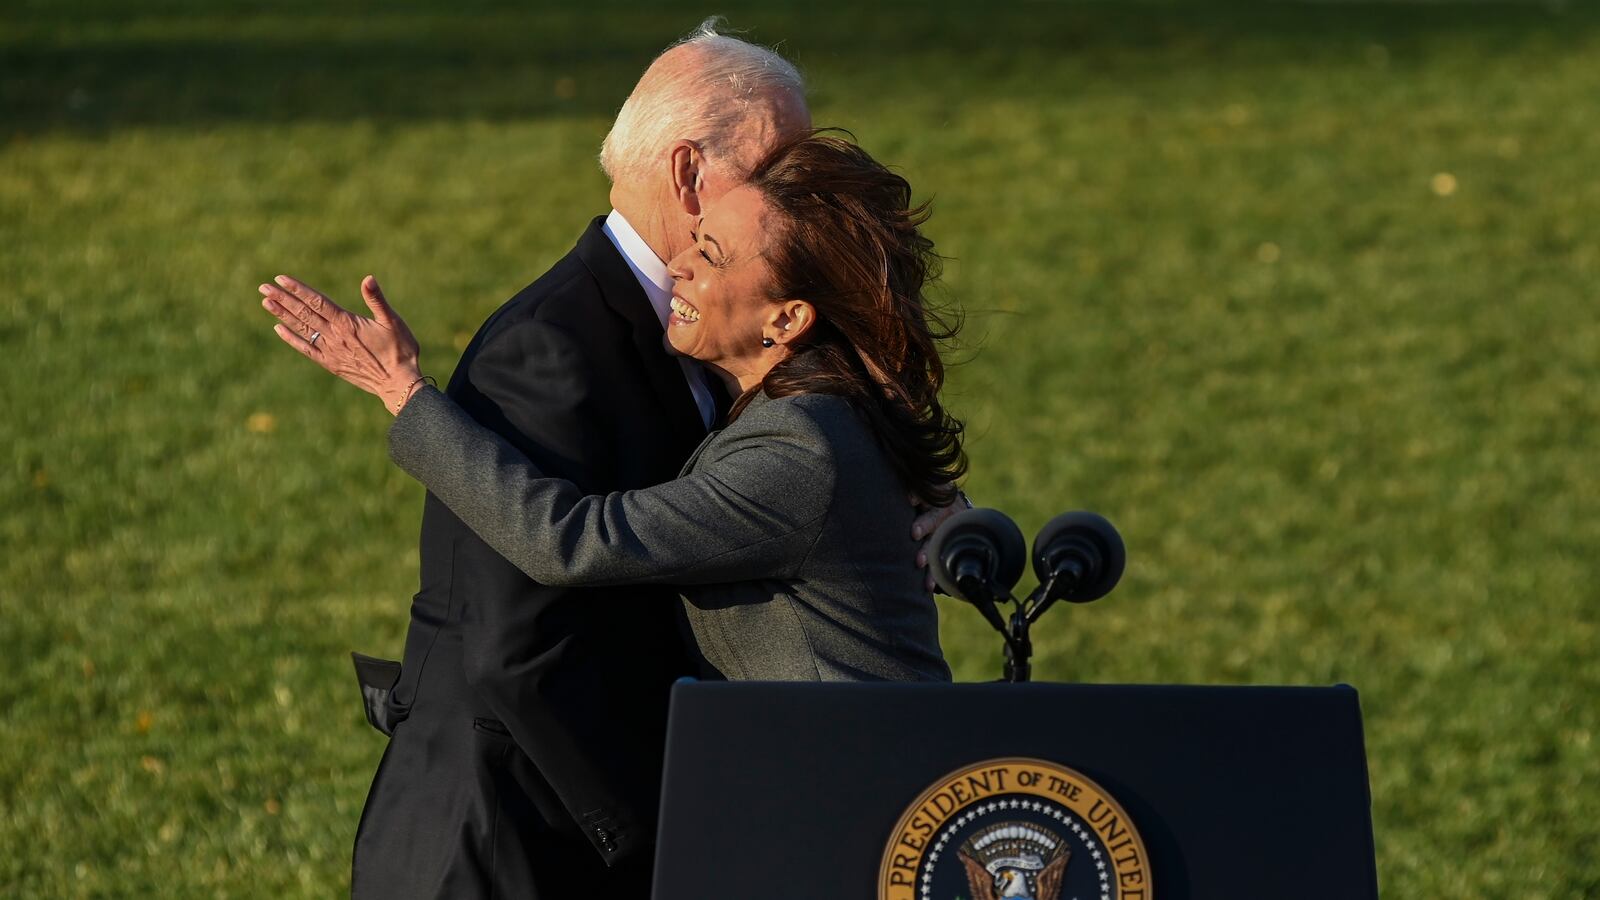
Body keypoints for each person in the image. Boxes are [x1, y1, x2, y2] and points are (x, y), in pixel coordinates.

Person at [260, 21, 956, 900]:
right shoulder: (551, 347)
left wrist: (929, 515)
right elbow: (523, 640)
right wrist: (651, 828)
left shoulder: (776, 370)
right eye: (780, 162)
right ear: (690, 175)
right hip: (515, 843)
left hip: (804, 806)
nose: (799, 185)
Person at [263, 133, 963, 685]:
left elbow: (572, 542)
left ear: (787, 321)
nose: (681, 265)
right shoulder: (826, 406)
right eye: (697, 238)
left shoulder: (801, 449)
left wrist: (402, 391)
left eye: (712, 255)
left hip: (849, 812)